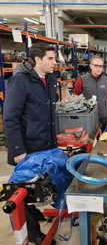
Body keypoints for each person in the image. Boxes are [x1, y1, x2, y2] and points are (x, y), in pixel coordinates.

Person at [3, 43, 58, 245]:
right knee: (22, 188)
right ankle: (34, 234)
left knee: (39, 185)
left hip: (46, 144)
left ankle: (35, 213)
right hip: (27, 148)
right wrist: (18, 149)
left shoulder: (49, 79)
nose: (55, 62)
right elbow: (10, 118)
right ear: (38, 59)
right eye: (51, 59)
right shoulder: (20, 81)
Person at [74, 55, 107, 131]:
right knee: (89, 137)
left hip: (102, 115)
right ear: (91, 66)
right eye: (96, 65)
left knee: (102, 137)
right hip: (87, 115)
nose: (98, 68)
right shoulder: (82, 80)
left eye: (101, 66)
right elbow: (76, 97)